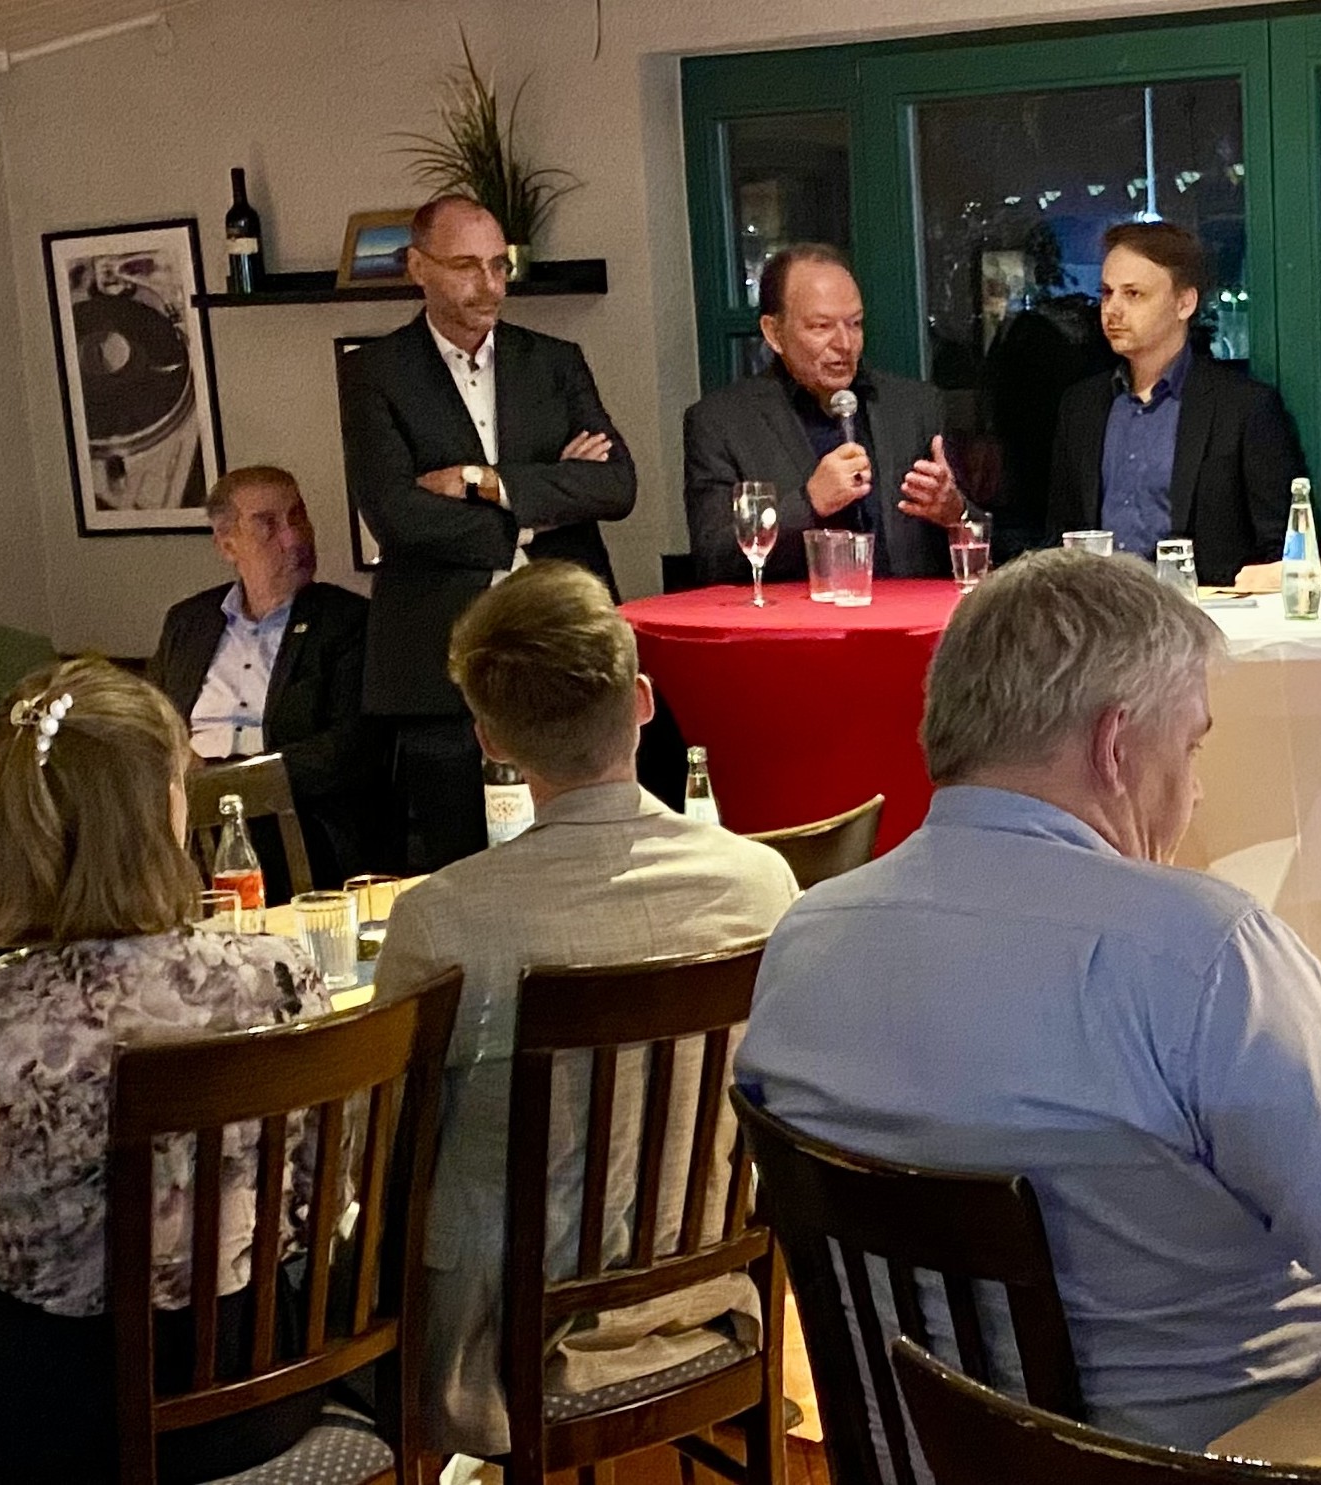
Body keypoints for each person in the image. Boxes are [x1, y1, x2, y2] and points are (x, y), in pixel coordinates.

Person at [733, 550, 1321, 1451]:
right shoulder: (1196, 956)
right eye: (1192, 747)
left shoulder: (802, 944)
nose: (1194, 794)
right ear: (1117, 745)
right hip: (1228, 1461)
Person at [370, 561, 798, 1459]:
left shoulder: (443, 918)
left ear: (491, 739)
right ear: (642, 701)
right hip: (708, 1295)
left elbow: (386, 1154)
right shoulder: (759, 883)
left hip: (493, 1343)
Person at [0, 659, 333, 1481]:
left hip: (63, 1422)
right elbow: (323, 1197)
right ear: (161, 810)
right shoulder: (276, 975)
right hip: (267, 1384)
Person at [340, 193, 636, 873]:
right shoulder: (374, 372)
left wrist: (486, 482)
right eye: (466, 267)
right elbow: (396, 515)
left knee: (588, 859)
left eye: (499, 265)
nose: (490, 285)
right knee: (459, 867)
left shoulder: (554, 361)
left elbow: (616, 486)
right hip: (437, 657)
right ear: (418, 267)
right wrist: (540, 507)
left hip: (568, 643)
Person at [147, 464, 376, 890]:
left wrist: (227, 782)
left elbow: (348, 749)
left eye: (298, 517)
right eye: (268, 524)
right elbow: (151, 722)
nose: (293, 538)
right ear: (227, 544)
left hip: (289, 821)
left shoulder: (347, 622)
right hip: (184, 823)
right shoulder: (188, 623)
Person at [683, 244, 967, 586]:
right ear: (774, 333)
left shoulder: (915, 407)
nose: (844, 343)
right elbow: (714, 558)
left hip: (908, 615)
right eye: (821, 326)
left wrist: (954, 512)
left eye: (855, 324)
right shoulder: (722, 422)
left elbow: (979, 535)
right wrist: (808, 504)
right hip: (797, 617)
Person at [1047, 222, 1306, 585]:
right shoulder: (1082, 406)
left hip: (1202, 610)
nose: (1112, 309)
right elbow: (1059, 537)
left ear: (1185, 303)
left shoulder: (1243, 408)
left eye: (1133, 294)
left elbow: (1285, 550)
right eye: (1106, 293)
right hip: (1099, 607)